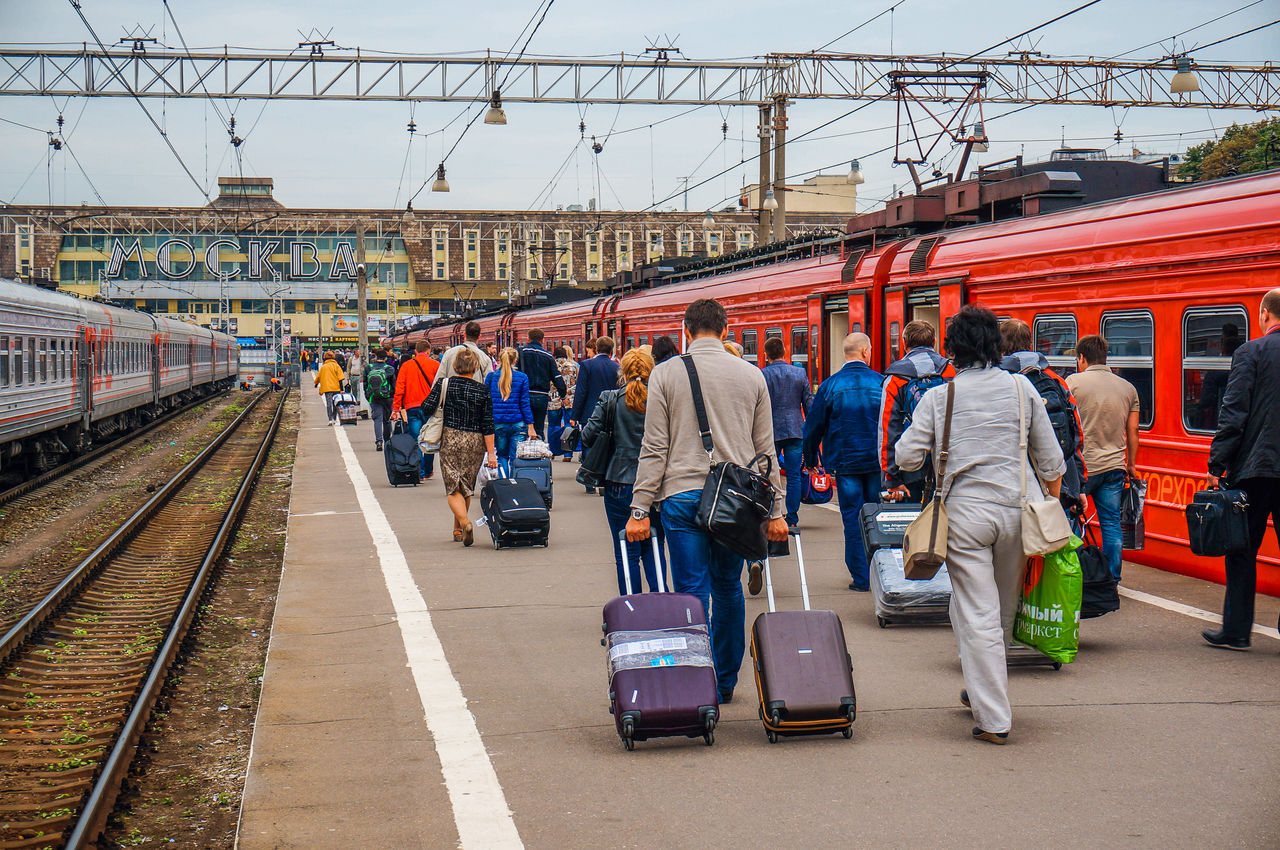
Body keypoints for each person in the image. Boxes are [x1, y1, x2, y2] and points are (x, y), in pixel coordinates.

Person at [895, 305, 1065, 745]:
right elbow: (1051, 460)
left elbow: (906, 458)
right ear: (995, 345)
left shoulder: (939, 396)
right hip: (1016, 511)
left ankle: (994, 718)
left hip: (966, 517)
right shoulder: (1021, 388)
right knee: (1000, 608)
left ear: (953, 349)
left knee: (977, 611)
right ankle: (980, 686)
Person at [626, 298, 787, 705]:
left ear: (686, 330)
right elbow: (765, 450)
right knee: (728, 588)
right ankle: (725, 681)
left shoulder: (664, 374)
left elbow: (654, 446)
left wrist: (640, 508)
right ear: (726, 330)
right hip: (732, 501)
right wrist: (778, 511)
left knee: (691, 591)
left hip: (681, 495)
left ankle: (696, 681)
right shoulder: (752, 375)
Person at [1204, 288, 1280, 650]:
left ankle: (1236, 631)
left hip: (1256, 468)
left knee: (1242, 549)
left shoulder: (1251, 352)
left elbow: (1233, 413)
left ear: (1265, 314)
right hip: (1262, 464)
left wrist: (1218, 463)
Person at [802, 333, 883, 591]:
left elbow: (813, 427)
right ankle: (882, 574)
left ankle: (861, 578)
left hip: (846, 464)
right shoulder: (881, 382)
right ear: (865, 352)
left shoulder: (829, 386)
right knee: (877, 517)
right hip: (876, 463)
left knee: (852, 518)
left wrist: (812, 458)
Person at [583, 348, 667, 595]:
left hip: (618, 480)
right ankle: (661, 604)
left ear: (623, 371)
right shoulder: (660, 399)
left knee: (625, 550)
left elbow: (587, 437)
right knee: (654, 545)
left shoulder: (610, 398)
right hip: (656, 483)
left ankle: (631, 610)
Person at [1067, 334, 1140, 582]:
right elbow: (1133, 430)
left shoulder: (1072, 383)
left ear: (1082, 358)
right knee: (1111, 524)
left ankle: (1076, 576)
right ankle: (1112, 579)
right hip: (1114, 467)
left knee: (1074, 520)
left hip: (1084, 469)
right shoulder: (1128, 388)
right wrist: (1131, 464)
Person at [999, 319, 1086, 515]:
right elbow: (1076, 434)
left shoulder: (997, 380)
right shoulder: (1055, 380)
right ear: (1029, 343)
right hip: (1057, 486)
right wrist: (1078, 485)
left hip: (1009, 485)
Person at [419, 348, 498, 547]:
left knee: (453, 487)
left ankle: (464, 522)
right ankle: (458, 530)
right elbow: (488, 424)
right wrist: (491, 454)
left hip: (451, 438)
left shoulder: (445, 384)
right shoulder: (483, 390)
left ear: (455, 366)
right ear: (475, 367)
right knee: (466, 486)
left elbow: (426, 407)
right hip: (475, 442)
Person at [879, 320, 956, 503]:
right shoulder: (951, 372)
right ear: (935, 342)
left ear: (904, 344)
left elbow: (888, 430)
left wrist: (891, 478)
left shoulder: (896, 378)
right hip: (949, 463)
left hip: (910, 467)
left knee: (913, 524)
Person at [762, 336, 813, 529]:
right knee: (793, 476)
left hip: (770, 432)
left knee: (768, 474)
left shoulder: (763, 374)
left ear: (766, 355)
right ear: (784, 352)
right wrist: (811, 428)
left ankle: (771, 513)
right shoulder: (799, 373)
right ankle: (792, 517)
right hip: (795, 430)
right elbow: (808, 403)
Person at [572, 336, 621, 493]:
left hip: (590, 412)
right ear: (611, 350)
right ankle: (605, 482)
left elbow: (581, 391)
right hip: (612, 412)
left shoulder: (587, 365)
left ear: (597, 349)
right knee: (608, 446)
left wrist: (575, 415)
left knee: (589, 445)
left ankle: (590, 483)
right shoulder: (617, 367)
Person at [392, 340, 440, 481]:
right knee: (430, 440)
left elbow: (399, 389)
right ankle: (428, 470)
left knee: (416, 440)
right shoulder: (436, 365)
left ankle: (419, 472)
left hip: (412, 407)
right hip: (430, 408)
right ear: (428, 351)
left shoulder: (406, 366)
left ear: (415, 352)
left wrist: (396, 408)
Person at [485, 347, 536, 476]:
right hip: (517, 423)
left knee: (502, 456)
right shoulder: (522, 377)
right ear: (515, 360)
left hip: (497, 423)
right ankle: (515, 486)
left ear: (500, 360)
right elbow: (524, 403)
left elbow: (486, 403)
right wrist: (530, 426)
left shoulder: (491, 378)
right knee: (515, 459)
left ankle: (504, 484)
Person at [517, 328, 567, 439]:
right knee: (539, 428)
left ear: (528, 338)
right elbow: (557, 378)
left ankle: (523, 451)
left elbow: (514, 374)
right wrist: (563, 395)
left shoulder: (520, 352)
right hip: (542, 396)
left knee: (523, 427)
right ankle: (538, 452)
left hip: (524, 395)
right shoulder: (548, 356)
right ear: (542, 340)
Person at [548, 346, 578, 462]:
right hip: (569, 401)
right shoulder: (573, 367)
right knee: (569, 426)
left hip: (553, 401)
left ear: (554, 355)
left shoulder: (550, 366)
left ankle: (552, 452)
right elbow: (577, 384)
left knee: (552, 426)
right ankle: (567, 454)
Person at [364, 348, 398, 450]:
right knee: (387, 420)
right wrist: (392, 396)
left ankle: (379, 441)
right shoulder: (390, 369)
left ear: (375, 357)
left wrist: (368, 395)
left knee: (377, 420)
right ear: (385, 358)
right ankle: (388, 441)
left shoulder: (368, 368)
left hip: (374, 397)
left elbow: (365, 384)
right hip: (387, 398)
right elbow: (393, 385)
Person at [314, 351, 346, 425]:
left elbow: (318, 377)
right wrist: (342, 389)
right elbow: (340, 378)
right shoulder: (336, 366)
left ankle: (330, 419)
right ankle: (334, 418)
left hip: (327, 388)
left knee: (329, 404)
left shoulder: (323, 367)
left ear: (325, 358)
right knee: (335, 404)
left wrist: (316, 384)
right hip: (336, 388)